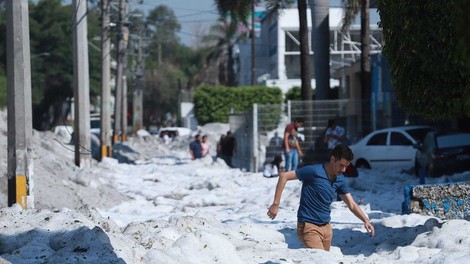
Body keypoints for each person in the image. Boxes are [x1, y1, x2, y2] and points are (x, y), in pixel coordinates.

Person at [267, 144, 375, 251]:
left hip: (327, 229)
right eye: (341, 165)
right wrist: (276, 204)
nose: (344, 170)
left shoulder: (340, 179)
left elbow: (351, 204)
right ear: (332, 159)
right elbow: (284, 176)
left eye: (346, 166)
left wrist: (365, 220)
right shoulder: (314, 171)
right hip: (309, 226)